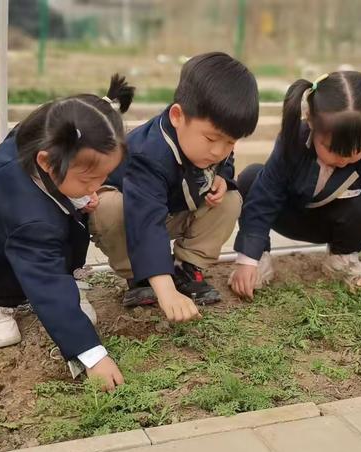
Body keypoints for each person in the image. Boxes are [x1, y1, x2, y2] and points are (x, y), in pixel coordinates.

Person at [0, 74, 135, 391]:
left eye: (102, 177)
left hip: (26, 237)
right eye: (88, 180)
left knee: (68, 224)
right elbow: (47, 280)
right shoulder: (28, 216)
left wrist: (83, 189)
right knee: (11, 324)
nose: (96, 187)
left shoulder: (49, 137)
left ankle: (58, 295)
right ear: (46, 162)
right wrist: (92, 354)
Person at [89, 52, 259, 322]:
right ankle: (139, 276)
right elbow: (145, 221)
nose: (219, 151)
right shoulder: (149, 152)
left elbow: (224, 157)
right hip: (132, 217)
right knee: (109, 207)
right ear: (178, 115)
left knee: (230, 200)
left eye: (230, 142)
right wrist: (166, 291)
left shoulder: (213, 145)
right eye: (212, 139)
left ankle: (186, 267)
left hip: (173, 210)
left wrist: (223, 178)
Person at [229, 65, 361, 299]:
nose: (344, 159)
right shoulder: (292, 141)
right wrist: (247, 258)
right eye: (333, 150)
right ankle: (259, 261)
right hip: (289, 215)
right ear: (311, 122)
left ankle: (341, 259)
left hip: (333, 225)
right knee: (252, 178)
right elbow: (265, 198)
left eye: (355, 150)